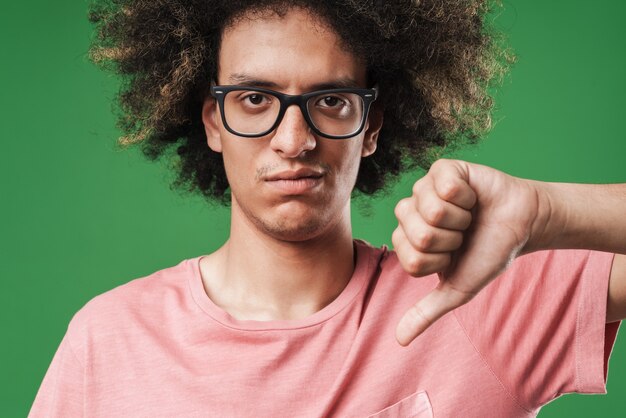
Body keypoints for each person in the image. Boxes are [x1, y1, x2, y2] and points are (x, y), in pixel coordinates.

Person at [30, 1, 625, 417]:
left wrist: (546, 208)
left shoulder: (471, 299)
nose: (294, 140)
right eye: (255, 99)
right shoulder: (108, 341)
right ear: (214, 122)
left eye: (333, 100)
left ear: (372, 127)